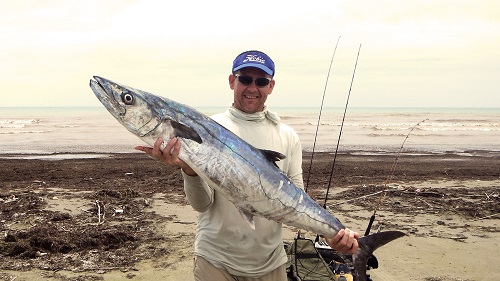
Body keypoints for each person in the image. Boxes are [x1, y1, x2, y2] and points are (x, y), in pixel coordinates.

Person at [135, 50, 359, 281]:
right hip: (215, 261)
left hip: (271, 262)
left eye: (261, 81)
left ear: (271, 86)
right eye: (245, 79)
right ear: (232, 81)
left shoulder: (287, 136)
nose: (252, 88)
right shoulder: (212, 127)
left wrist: (331, 235)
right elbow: (201, 205)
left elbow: (297, 200)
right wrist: (189, 169)